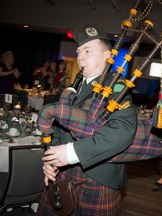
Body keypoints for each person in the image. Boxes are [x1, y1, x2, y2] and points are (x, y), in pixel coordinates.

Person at [37, 23, 137, 215]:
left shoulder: (116, 87)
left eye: (88, 51)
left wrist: (72, 153)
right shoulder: (73, 88)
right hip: (64, 172)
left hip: (97, 176)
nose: (80, 56)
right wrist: (51, 159)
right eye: (79, 51)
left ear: (108, 56)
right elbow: (58, 126)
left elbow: (123, 131)